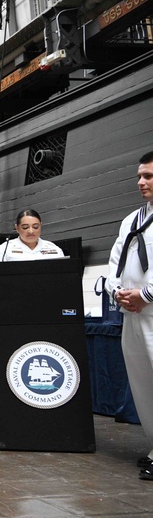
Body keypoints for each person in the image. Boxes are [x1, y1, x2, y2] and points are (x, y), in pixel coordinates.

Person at [107, 151, 153, 482]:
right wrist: (119, 293)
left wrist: (145, 295)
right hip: (132, 314)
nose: (141, 182)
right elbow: (115, 263)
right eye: (140, 176)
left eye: (149, 176)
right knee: (143, 384)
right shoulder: (131, 221)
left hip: (152, 308)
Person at [0, 209, 64, 262]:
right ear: (17, 228)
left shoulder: (54, 248)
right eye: (25, 227)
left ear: (41, 226)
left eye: (35, 227)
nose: (31, 231)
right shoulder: (5, 249)